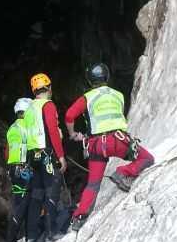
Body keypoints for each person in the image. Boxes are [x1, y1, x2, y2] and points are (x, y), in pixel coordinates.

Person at [64, 62, 154, 231]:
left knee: (93, 184)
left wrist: (72, 133)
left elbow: (69, 115)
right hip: (119, 141)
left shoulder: (87, 97)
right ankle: (122, 173)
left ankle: (78, 218)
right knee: (147, 158)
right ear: (107, 77)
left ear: (90, 80)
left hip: (97, 145)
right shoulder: (118, 95)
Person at [21, 72, 67, 242]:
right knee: (52, 192)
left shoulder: (29, 109)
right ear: (48, 88)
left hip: (33, 156)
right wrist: (61, 156)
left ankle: (31, 238)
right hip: (47, 154)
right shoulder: (47, 105)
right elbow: (53, 131)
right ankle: (51, 233)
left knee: (36, 195)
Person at [3, 97, 33, 242]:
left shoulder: (12, 128)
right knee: (24, 205)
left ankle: (13, 241)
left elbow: (7, 151)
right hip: (24, 169)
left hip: (14, 169)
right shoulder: (27, 126)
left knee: (18, 203)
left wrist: (10, 167)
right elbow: (33, 147)